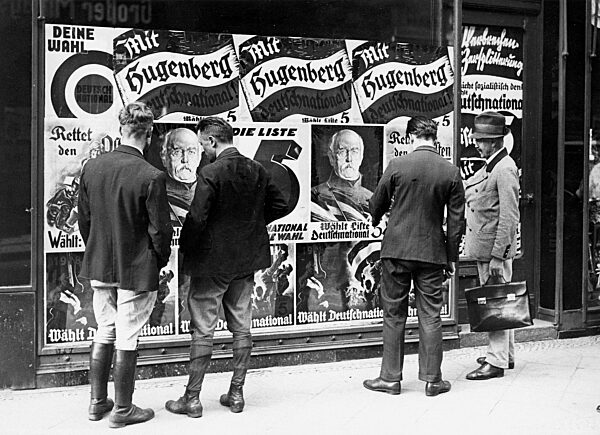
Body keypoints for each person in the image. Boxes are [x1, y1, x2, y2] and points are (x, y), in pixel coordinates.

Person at [166, 117, 288, 418]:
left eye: (201, 144)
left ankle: (192, 399)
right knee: (241, 325)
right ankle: (236, 394)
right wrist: (251, 226)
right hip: (245, 261)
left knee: (203, 329)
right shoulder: (257, 169)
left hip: (212, 263)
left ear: (211, 141)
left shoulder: (210, 172)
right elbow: (281, 204)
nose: (202, 150)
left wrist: (188, 251)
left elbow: (196, 219)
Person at [78, 102, 173, 428]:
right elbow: (161, 232)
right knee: (127, 336)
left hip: (101, 264)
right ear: (148, 134)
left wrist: (99, 251)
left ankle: (96, 403)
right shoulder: (151, 175)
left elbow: (84, 223)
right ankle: (122, 409)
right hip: (135, 267)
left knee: (105, 329)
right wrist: (156, 262)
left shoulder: (92, 167)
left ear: (121, 129)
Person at [363, 116, 465, 397]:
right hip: (432, 252)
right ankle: (433, 380)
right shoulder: (451, 172)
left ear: (411, 138)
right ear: (435, 138)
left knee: (393, 314)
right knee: (430, 314)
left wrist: (375, 218)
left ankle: (390, 379)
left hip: (396, 250)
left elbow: (377, 203)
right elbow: (456, 222)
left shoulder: (397, 165)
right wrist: (452, 257)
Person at [464, 111, 520, 381]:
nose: (477, 143)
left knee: (495, 304)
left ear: (496, 141)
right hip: (488, 250)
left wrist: (499, 256)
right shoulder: (493, 166)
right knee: (501, 301)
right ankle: (505, 355)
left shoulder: (504, 168)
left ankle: (495, 362)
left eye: (482, 140)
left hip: (493, 252)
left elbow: (509, 217)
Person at [311, 129, 372, 221]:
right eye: (342, 151)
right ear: (331, 157)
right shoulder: (314, 195)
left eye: (354, 151)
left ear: (361, 157)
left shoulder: (374, 197)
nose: (349, 158)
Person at [160, 127, 202, 226]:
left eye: (191, 152)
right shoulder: (156, 192)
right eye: (177, 152)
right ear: (164, 157)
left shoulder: (211, 190)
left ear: (199, 157)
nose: (185, 159)